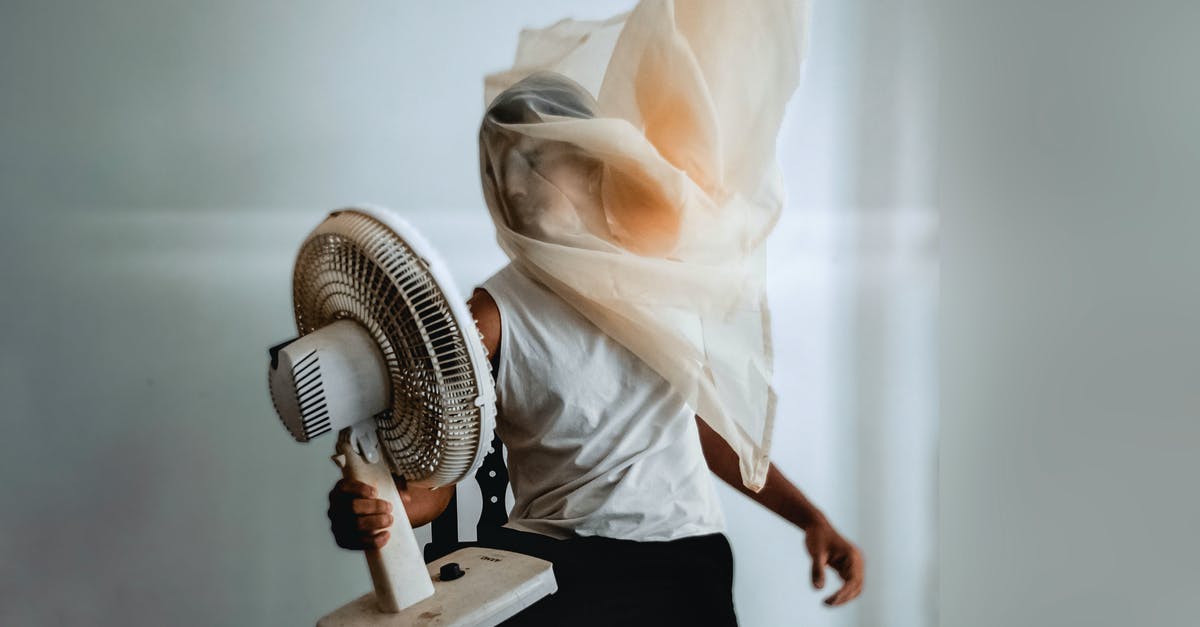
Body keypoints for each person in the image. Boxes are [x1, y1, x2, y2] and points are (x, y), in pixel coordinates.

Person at [329, 2, 863, 624]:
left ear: (590, 161)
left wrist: (811, 520)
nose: (520, 186)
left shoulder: (659, 274)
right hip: (565, 565)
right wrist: (378, 511)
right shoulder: (490, 316)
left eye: (537, 160)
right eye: (504, 172)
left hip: (691, 559)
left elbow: (700, 427)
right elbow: (439, 476)